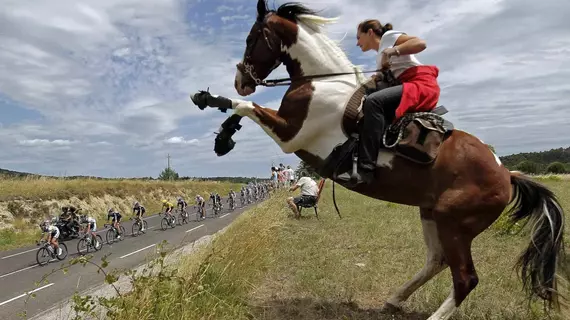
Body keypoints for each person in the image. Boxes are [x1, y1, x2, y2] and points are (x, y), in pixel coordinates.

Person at [345, 19, 440, 185]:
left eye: (358, 37)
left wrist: (393, 51)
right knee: (369, 103)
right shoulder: (378, 58)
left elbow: (420, 43)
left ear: (370, 32)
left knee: (374, 102)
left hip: (420, 85)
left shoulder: (388, 38)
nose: (357, 43)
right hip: (408, 85)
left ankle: (366, 168)